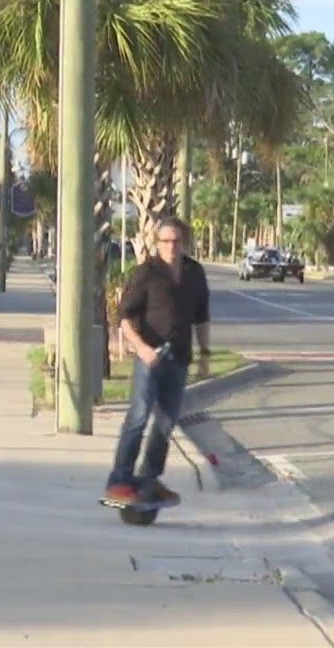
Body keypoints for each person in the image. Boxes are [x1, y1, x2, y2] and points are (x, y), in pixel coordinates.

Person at [103, 216, 212, 506]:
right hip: (149, 356)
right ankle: (119, 480)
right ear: (157, 243)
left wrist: (205, 354)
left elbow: (201, 317)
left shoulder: (194, 273)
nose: (171, 247)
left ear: (184, 242)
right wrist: (140, 348)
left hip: (179, 357)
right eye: (165, 241)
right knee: (138, 416)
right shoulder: (147, 272)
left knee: (166, 422)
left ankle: (148, 478)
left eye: (176, 241)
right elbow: (124, 316)